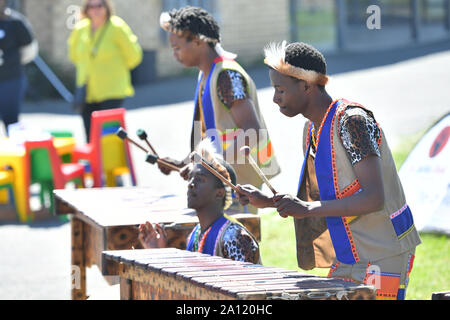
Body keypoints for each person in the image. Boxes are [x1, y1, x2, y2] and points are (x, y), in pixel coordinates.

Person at [236, 41, 421, 300]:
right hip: (349, 254)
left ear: (306, 85)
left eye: (280, 89)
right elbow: (329, 194)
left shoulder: (352, 121)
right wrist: (269, 201)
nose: (275, 97)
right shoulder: (312, 129)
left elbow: (374, 197)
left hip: (383, 250)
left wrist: (308, 209)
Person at [156, 6, 280, 214]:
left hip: (237, 185)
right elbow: (211, 138)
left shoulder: (227, 76)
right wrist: (185, 162)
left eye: (177, 47)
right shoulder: (207, 75)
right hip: (220, 181)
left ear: (197, 40)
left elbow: (252, 131)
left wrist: (207, 165)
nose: (174, 54)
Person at [139, 139, 261, 264]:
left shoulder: (234, 237)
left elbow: (248, 282)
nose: (191, 184)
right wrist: (159, 251)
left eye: (200, 179)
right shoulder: (195, 234)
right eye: (191, 178)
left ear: (219, 193)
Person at [67, 0, 142, 141]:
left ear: (106, 7)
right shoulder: (81, 28)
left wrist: (113, 70)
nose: (95, 10)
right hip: (87, 90)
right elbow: (73, 55)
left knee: (108, 137)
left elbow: (135, 56)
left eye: (99, 5)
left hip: (112, 90)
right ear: (86, 9)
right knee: (90, 135)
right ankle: (94, 163)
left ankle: (112, 163)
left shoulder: (117, 27)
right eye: (91, 6)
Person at [0, 0, 37, 135]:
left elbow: (29, 50)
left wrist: (10, 62)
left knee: (11, 122)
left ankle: (12, 154)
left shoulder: (15, 22)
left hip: (11, 79)